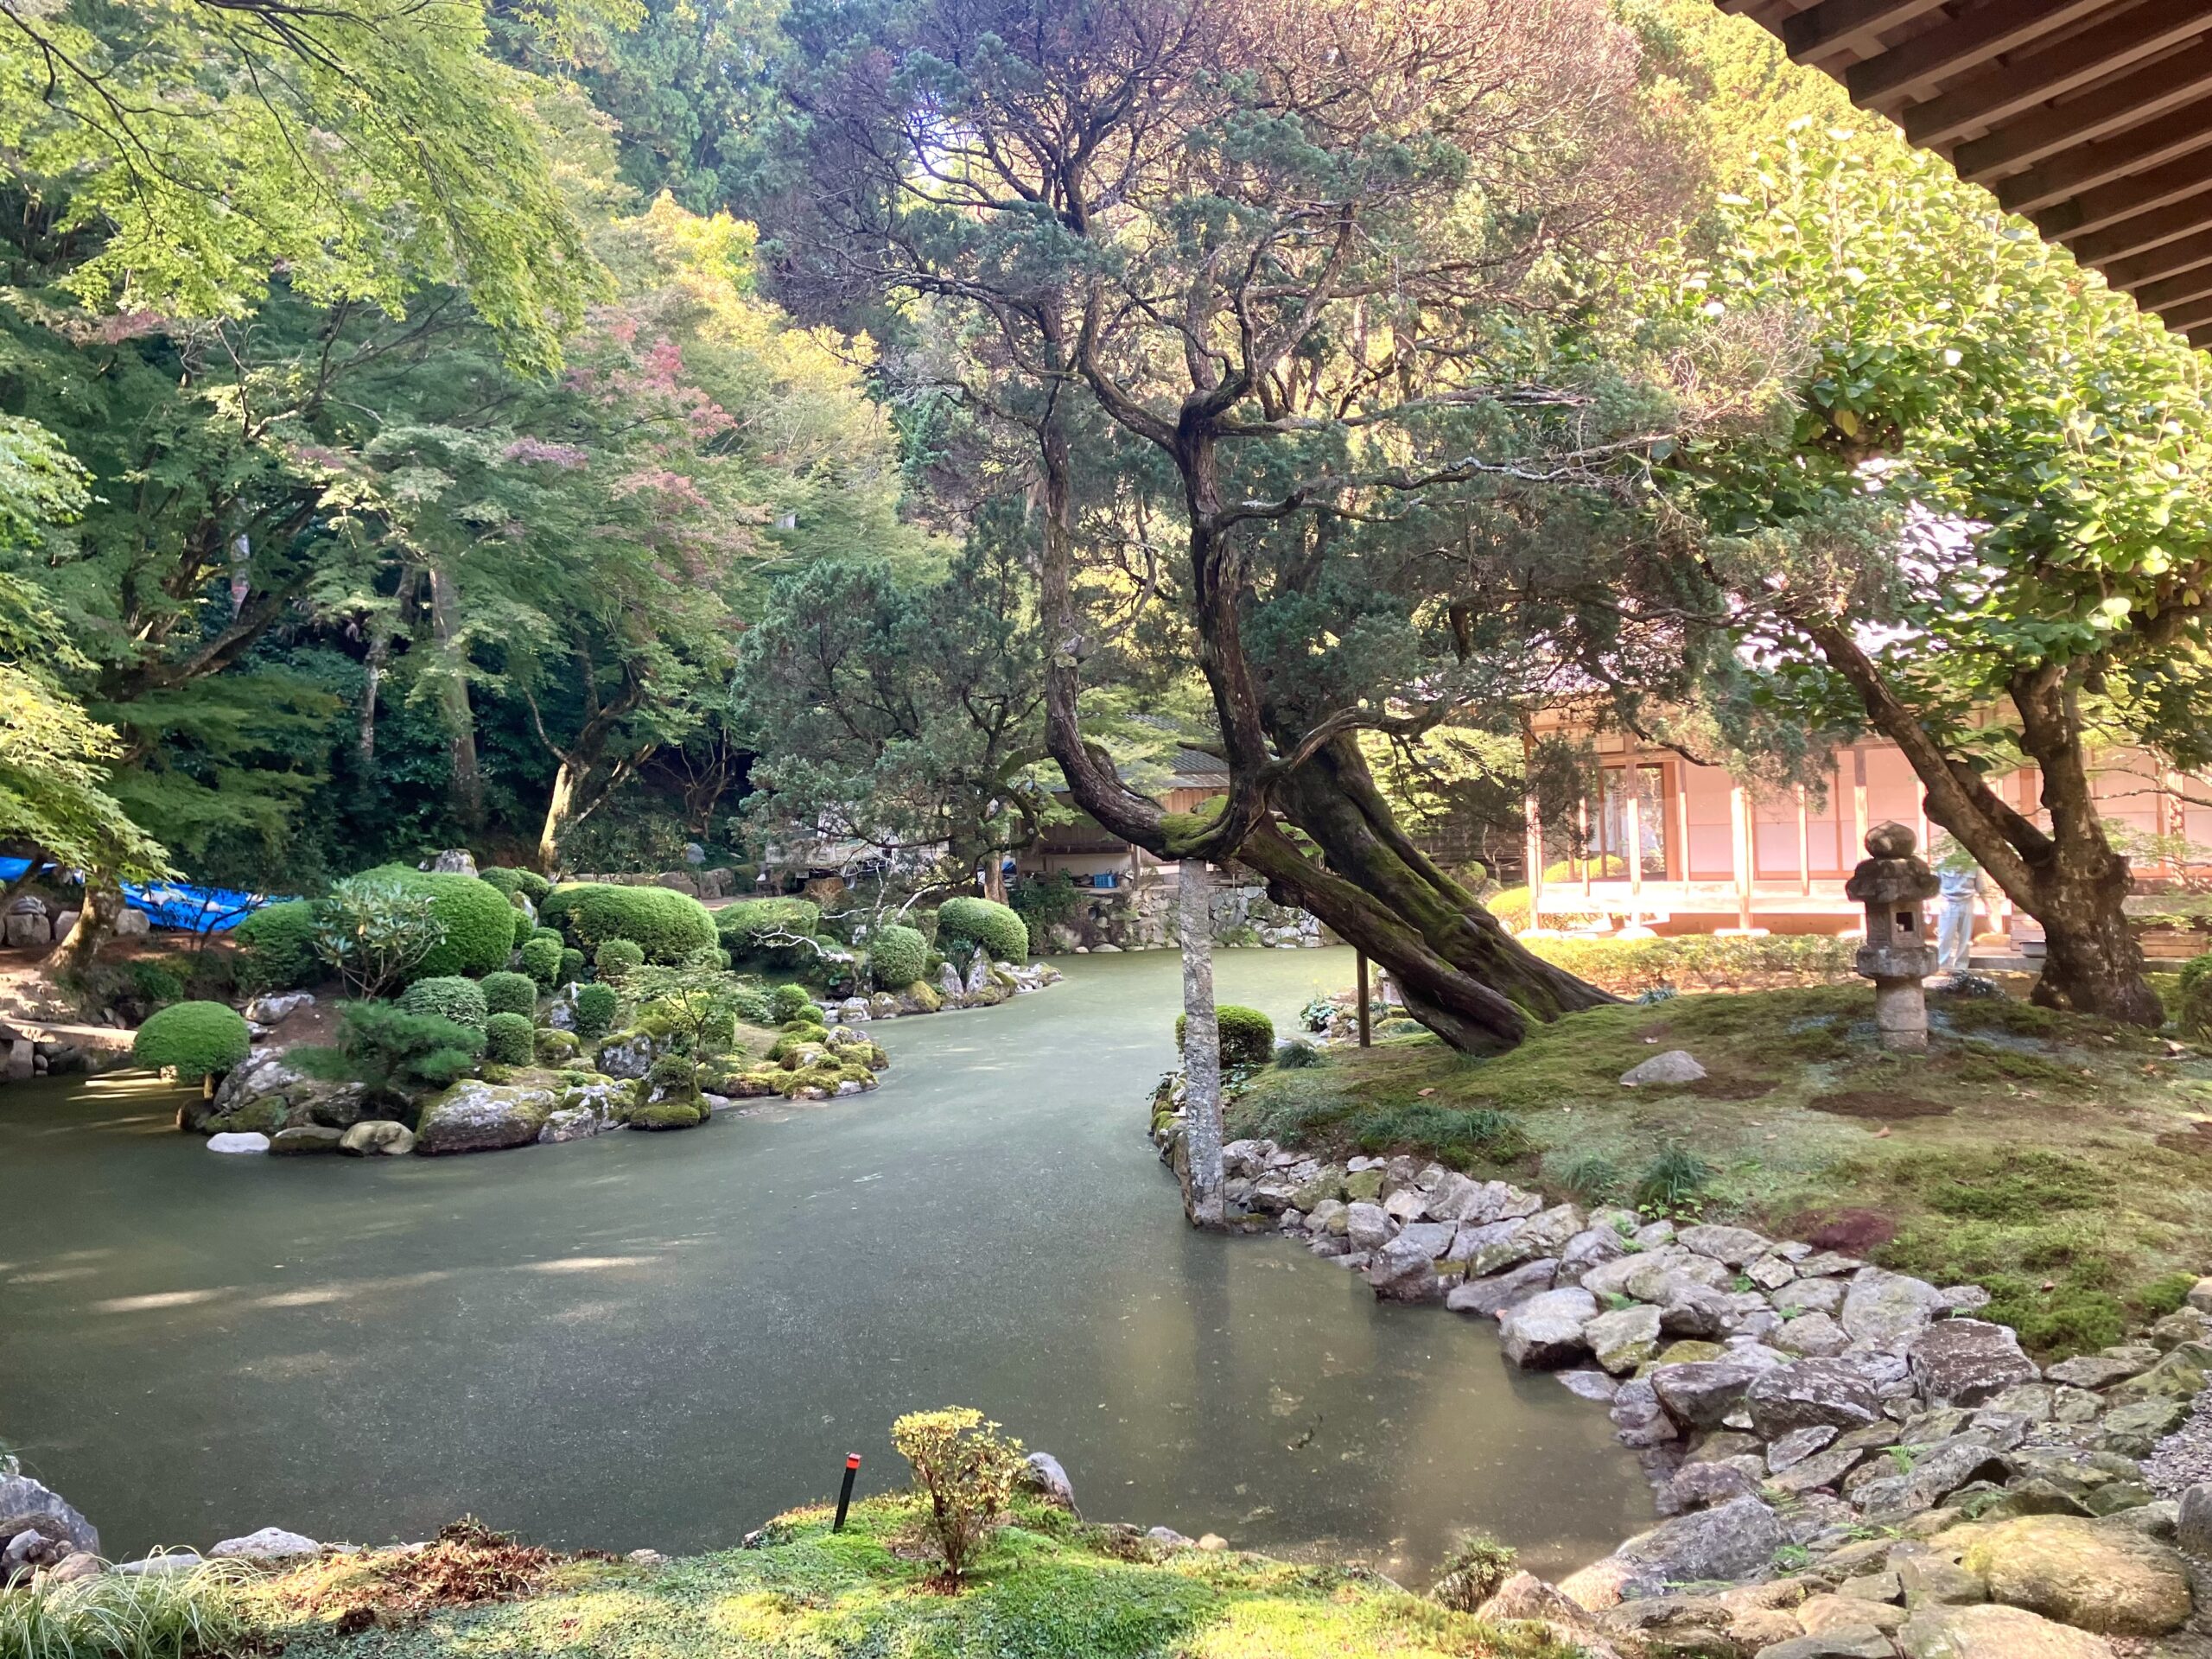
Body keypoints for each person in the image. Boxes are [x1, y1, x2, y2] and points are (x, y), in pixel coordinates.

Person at [1935, 841, 1984, 975]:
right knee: (1945, 936)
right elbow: (1933, 885)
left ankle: (1961, 968)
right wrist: (1927, 903)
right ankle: (1942, 966)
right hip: (1948, 903)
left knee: (1965, 937)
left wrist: (1987, 905)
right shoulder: (1941, 863)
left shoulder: (1974, 866)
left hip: (1967, 903)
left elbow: (1981, 888)